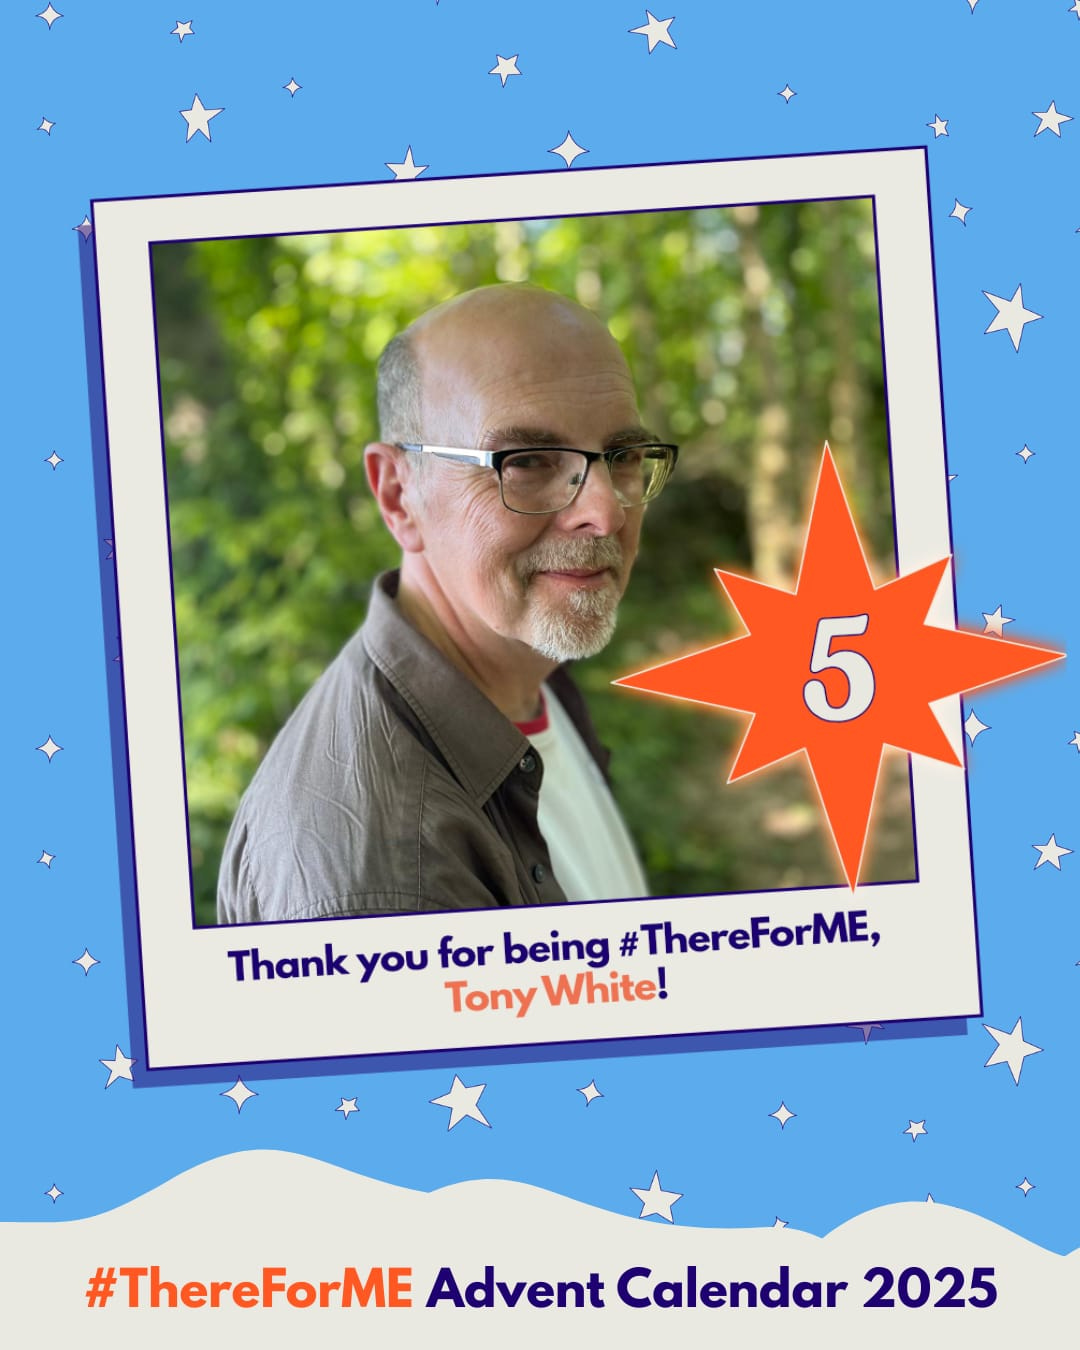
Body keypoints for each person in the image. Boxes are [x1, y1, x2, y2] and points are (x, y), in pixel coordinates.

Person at [217, 283, 678, 923]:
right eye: (529, 461)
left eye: (622, 456)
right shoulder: (381, 881)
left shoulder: (526, 674)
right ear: (400, 495)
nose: (604, 512)